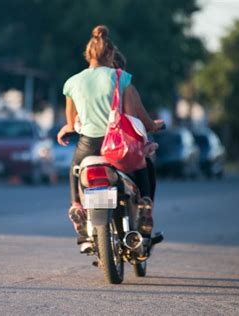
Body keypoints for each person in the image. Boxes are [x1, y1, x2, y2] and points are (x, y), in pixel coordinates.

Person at [56, 25, 164, 248]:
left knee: (76, 170)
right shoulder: (121, 77)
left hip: (87, 145)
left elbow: (71, 122)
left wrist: (66, 129)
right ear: (111, 54)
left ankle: (77, 205)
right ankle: (144, 204)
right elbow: (131, 116)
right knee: (143, 165)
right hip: (116, 146)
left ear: (88, 54)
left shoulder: (72, 82)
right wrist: (151, 126)